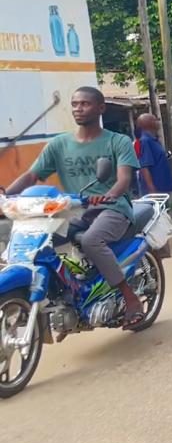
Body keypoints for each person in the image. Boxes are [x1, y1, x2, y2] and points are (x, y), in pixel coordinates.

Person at [0, 87, 144, 330]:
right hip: (75, 210)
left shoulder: (118, 141)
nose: (78, 108)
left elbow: (123, 179)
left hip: (112, 209)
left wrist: (107, 197)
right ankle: (69, 293)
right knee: (41, 243)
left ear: (101, 108)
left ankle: (130, 298)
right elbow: (32, 175)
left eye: (85, 104)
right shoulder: (59, 144)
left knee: (91, 241)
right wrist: (6, 197)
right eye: (75, 104)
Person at [134, 113, 172, 196]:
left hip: (161, 187)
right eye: (156, 120)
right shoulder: (145, 141)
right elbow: (144, 167)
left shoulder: (153, 140)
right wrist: (151, 189)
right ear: (149, 124)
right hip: (154, 189)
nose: (158, 122)